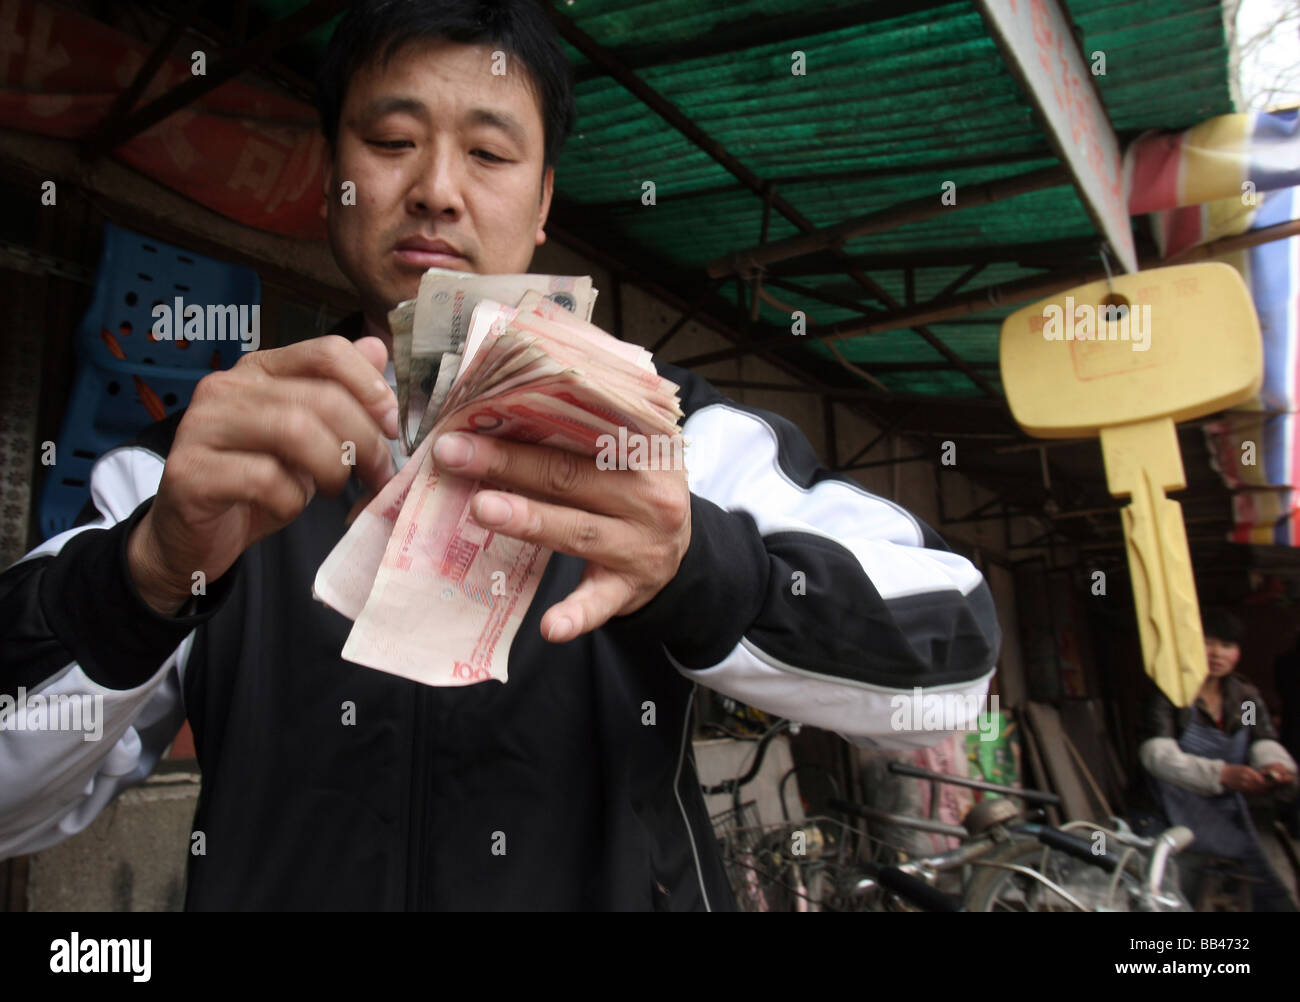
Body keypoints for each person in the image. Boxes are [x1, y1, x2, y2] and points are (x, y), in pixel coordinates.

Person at [0, 0, 999, 910]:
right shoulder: (193, 475)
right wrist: (141, 577)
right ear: (331, 180)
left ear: (544, 200)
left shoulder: (676, 440)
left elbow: (950, 659)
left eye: (488, 153)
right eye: (391, 140)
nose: (435, 189)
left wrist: (693, 565)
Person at [1138, 608, 1298, 911]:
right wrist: (1221, 775)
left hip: (1224, 812)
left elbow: (1259, 738)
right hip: (1169, 813)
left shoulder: (1244, 697)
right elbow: (1157, 755)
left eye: (1227, 645)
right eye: (1207, 643)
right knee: (1173, 897)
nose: (1217, 653)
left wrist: (1273, 765)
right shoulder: (1170, 695)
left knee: (1270, 897)